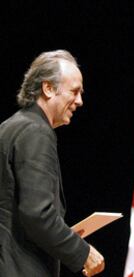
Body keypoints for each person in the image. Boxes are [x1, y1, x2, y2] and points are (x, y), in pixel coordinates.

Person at [0, 50, 105, 277]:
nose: (80, 101)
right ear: (48, 88)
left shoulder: (10, 127)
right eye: (74, 92)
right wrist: (83, 252)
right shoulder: (36, 131)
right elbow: (37, 214)